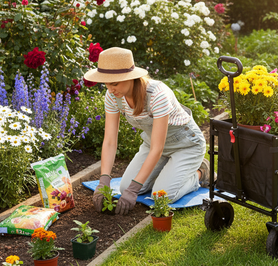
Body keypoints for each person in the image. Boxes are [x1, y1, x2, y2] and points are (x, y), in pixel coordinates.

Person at [84, 47, 210, 215]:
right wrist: (104, 179)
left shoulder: (157, 94)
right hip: (154, 146)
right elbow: (109, 141)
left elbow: (157, 148)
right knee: (124, 187)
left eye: (114, 83)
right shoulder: (113, 97)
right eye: (106, 84)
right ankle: (169, 169)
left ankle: (201, 172)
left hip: (186, 145)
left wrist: (135, 188)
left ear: (131, 77)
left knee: (161, 196)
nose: (110, 89)